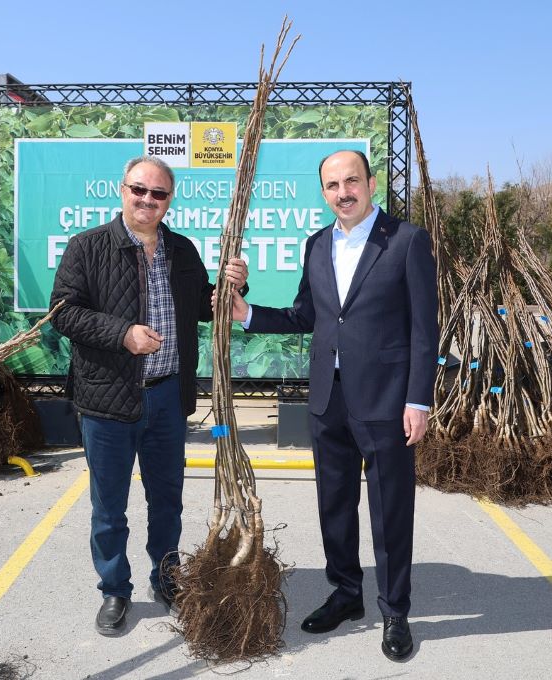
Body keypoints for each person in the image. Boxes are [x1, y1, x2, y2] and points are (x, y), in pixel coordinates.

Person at [229, 149, 438, 660]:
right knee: (334, 504)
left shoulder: (406, 241)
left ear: (370, 183)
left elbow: (423, 329)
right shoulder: (316, 244)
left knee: (391, 510)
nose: (343, 192)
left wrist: (418, 400)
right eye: (332, 185)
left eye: (351, 181)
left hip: (388, 400)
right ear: (323, 192)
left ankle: (395, 611)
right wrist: (247, 312)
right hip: (328, 396)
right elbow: (308, 314)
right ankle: (346, 594)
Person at [49, 156, 248, 636]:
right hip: (106, 401)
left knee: (167, 500)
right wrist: (122, 334)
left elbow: (205, 305)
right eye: (139, 190)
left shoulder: (182, 250)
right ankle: (115, 589)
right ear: (123, 190)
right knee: (109, 506)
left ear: (168, 201)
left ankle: (167, 577)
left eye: (158, 194)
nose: (147, 200)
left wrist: (232, 285)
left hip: (166, 399)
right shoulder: (87, 247)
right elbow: (63, 312)